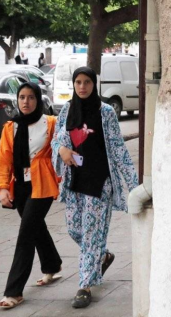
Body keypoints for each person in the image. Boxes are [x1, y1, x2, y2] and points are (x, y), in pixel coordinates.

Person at [52, 67, 138, 309]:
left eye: (87, 82)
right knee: (73, 229)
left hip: (100, 182)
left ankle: (84, 285)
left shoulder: (106, 112)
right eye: (78, 82)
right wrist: (62, 149)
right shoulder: (68, 110)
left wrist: (133, 186)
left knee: (90, 235)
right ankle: (103, 256)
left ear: (94, 84)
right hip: (75, 181)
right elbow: (57, 137)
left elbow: (119, 149)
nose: (82, 86)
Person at [0, 82, 63, 310]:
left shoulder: (51, 123)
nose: (26, 102)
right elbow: (4, 159)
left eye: (31, 97)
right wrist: (3, 187)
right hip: (21, 186)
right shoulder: (10, 127)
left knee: (25, 234)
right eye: (22, 97)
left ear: (38, 100)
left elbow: (62, 148)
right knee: (35, 228)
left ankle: (13, 291)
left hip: (42, 184)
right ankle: (52, 264)